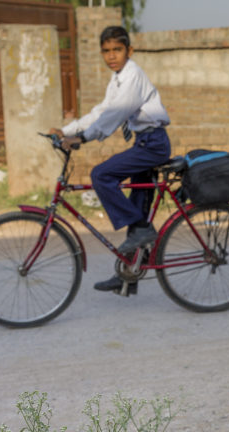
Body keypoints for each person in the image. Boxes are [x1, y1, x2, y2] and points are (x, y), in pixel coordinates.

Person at [50, 25, 171, 293]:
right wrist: (67, 130)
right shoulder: (118, 79)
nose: (111, 56)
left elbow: (113, 116)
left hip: (153, 145)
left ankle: (141, 231)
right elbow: (101, 111)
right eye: (106, 51)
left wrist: (82, 139)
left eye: (117, 50)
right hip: (144, 143)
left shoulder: (132, 78)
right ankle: (128, 273)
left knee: (101, 175)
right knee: (137, 210)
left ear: (130, 50)